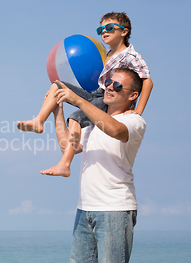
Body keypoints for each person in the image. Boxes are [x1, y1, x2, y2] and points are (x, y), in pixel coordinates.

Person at [17, 12, 153, 177]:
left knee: (76, 117)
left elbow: (147, 81)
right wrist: (57, 108)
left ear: (124, 32)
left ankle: (65, 163)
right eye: (100, 29)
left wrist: (138, 110)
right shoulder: (107, 53)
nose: (104, 31)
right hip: (96, 93)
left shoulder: (131, 56)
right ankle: (39, 120)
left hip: (106, 98)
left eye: (109, 27)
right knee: (57, 85)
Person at [51, 68, 145, 263]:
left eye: (118, 85)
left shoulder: (134, 122)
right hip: (85, 210)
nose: (110, 87)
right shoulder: (93, 125)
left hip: (115, 210)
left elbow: (114, 130)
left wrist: (79, 101)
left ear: (133, 96)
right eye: (109, 83)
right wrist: (58, 110)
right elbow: (68, 146)